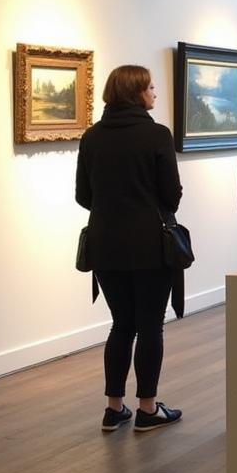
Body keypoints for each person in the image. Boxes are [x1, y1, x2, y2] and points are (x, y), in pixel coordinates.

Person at [76, 65, 184, 433]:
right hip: (150, 245)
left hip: (105, 245)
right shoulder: (156, 135)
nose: (155, 93)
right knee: (150, 325)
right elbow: (172, 195)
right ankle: (148, 408)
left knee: (121, 324)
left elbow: (82, 196)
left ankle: (113, 408)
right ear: (137, 93)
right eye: (151, 87)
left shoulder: (91, 137)